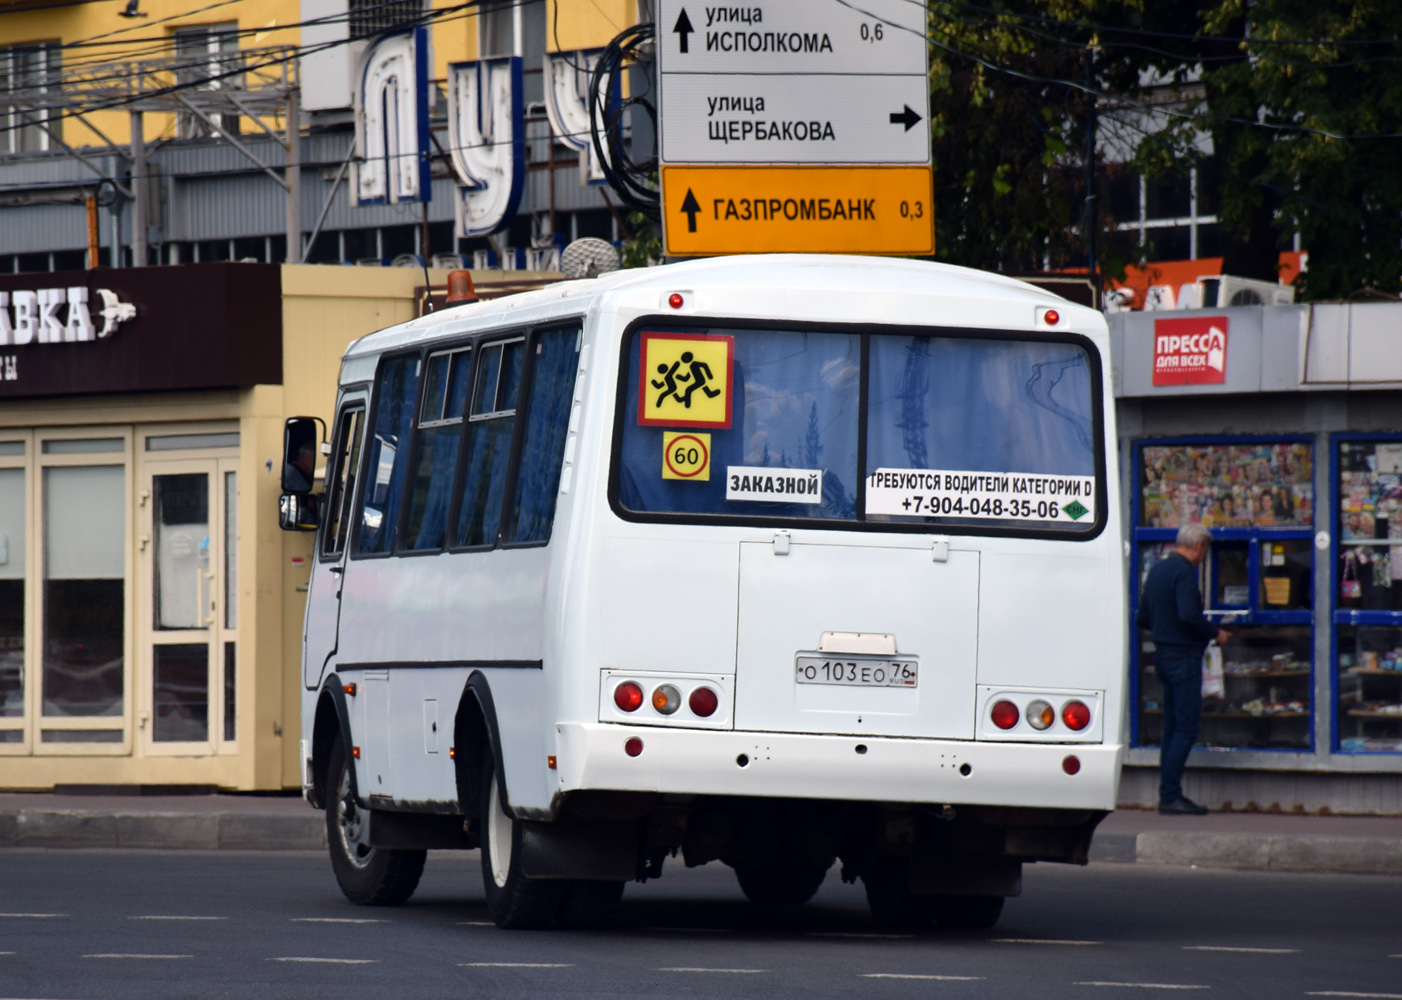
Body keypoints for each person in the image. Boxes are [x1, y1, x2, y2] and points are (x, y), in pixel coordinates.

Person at [1136, 522, 1231, 815]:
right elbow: (1189, 614)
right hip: (1183, 658)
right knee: (1186, 728)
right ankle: (1170, 796)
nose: (1203, 557)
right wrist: (1215, 633)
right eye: (1205, 550)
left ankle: (1167, 794)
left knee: (1171, 728)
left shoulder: (1157, 571)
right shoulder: (1184, 574)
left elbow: (1142, 617)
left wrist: (1164, 631)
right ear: (1199, 546)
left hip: (1163, 655)